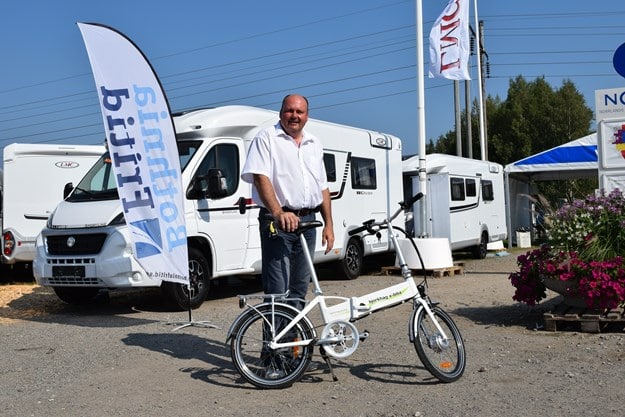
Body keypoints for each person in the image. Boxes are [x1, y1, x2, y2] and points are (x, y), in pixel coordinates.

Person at [242, 94, 334, 310]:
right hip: (278, 221)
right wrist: (278, 212)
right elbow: (260, 177)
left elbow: (322, 186)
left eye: (299, 112)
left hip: (308, 221)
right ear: (281, 113)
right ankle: (273, 343)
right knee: (277, 288)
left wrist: (328, 224)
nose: (294, 116)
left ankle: (295, 342)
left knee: (300, 287)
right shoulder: (266, 138)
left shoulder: (314, 143)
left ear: (307, 116)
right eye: (289, 111)